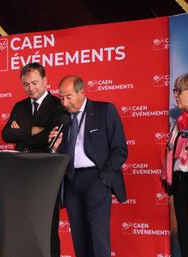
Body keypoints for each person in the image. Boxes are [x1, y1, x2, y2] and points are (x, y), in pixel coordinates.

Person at [49, 75, 127, 257]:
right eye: (61, 97)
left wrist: (105, 179)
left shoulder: (104, 110)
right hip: (71, 181)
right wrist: (54, 146)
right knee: (79, 238)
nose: (65, 102)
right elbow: (59, 155)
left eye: (68, 96)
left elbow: (120, 149)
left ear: (81, 92)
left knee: (98, 238)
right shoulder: (62, 118)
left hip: (96, 180)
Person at [2, 62, 64, 257]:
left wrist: (21, 131)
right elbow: (6, 135)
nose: (31, 88)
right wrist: (33, 131)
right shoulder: (19, 106)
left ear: (45, 81)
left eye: (35, 83)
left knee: (48, 225)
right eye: (26, 84)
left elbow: (51, 136)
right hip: (21, 173)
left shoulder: (57, 105)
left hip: (47, 173)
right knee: (22, 224)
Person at [161, 73, 188, 257]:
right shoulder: (179, 123)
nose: (175, 95)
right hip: (181, 186)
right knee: (185, 241)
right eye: (174, 90)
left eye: (179, 90)